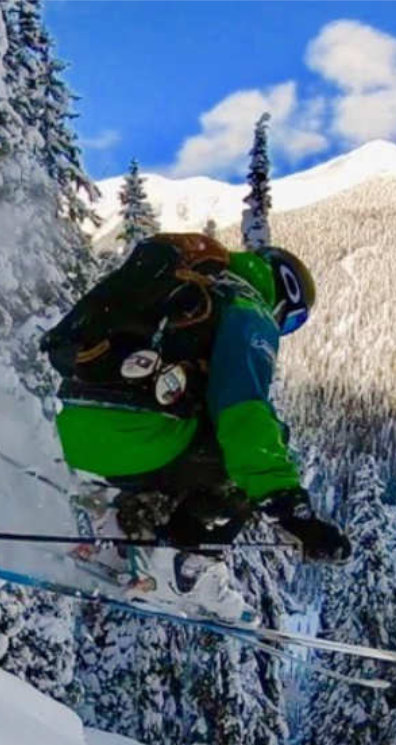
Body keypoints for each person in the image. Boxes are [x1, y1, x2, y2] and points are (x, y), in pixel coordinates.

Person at [40, 231, 349, 619]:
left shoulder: (187, 284)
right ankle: (185, 567)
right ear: (286, 294)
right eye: (292, 321)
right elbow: (243, 412)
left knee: (188, 431)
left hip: (74, 434)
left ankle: (120, 538)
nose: (282, 328)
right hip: (142, 440)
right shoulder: (248, 305)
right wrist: (288, 505)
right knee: (252, 443)